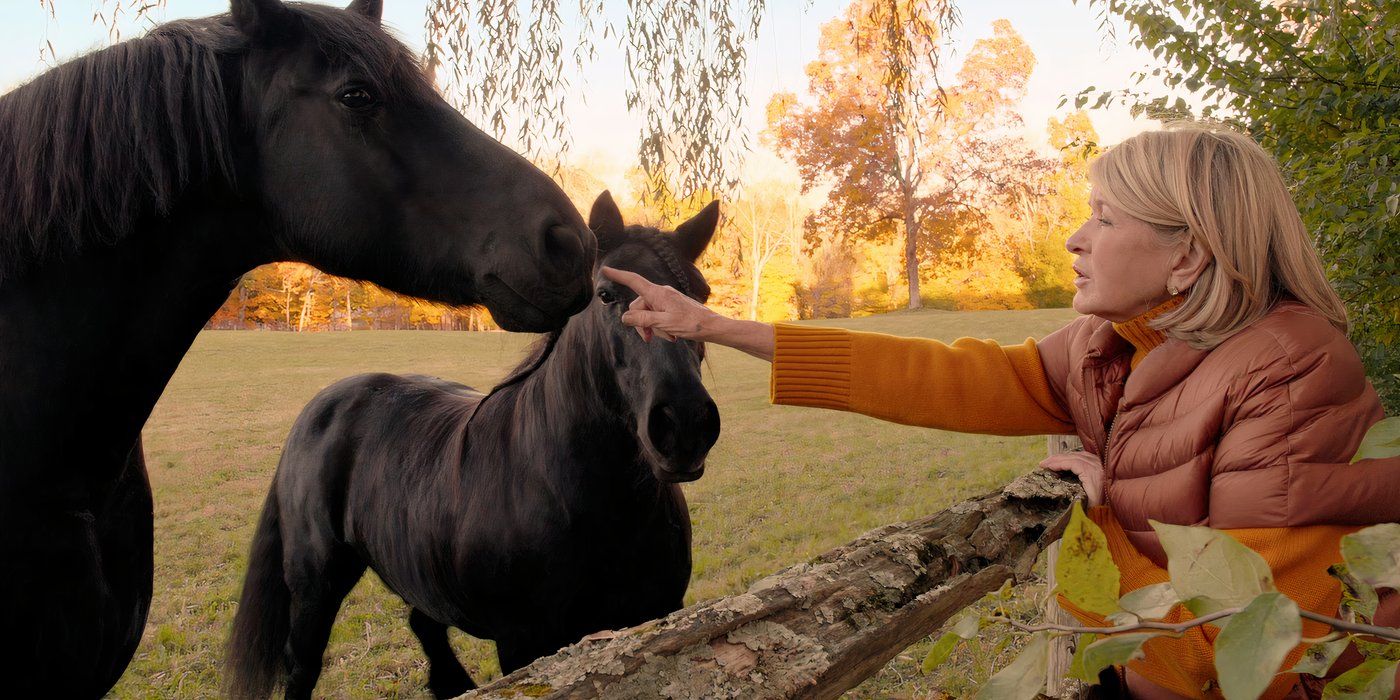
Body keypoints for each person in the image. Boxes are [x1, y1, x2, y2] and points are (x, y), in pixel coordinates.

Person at [599, 123, 1400, 700]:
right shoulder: (1111, 345)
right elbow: (950, 377)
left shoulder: (1290, 376)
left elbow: (1231, 660)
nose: (1075, 240)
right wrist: (717, 328)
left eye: (1106, 219)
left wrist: (1098, 524)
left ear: (1188, 255)